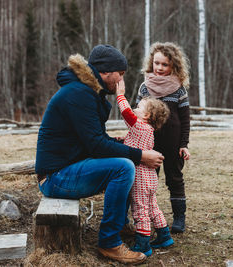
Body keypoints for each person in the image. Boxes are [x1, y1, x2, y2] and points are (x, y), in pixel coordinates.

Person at [35, 44, 164, 265]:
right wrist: (141, 154)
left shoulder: (86, 91)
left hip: (68, 167)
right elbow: (96, 145)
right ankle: (109, 243)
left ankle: (120, 224)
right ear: (105, 72)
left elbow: (95, 140)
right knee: (124, 167)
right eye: (120, 74)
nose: (121, 80)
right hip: (55, 178)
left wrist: (120, 144)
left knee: (125, 161)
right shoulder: (79, 93)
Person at [136, 42, 191, 233]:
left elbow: (185, 120)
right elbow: (137, 117)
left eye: (165, 65)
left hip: (173, 145)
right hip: (149, 146)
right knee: (147, 182)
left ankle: (179, 218)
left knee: (175, 179)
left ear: (173, 66)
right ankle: (146, 216)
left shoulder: (179, 89)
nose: (159, 68)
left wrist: (184, 144)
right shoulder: (145, 88)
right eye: (156, 63)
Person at [115, 80, 174, 257]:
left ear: (147, 116)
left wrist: (120, 95)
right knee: (152, 207)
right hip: (150, 178)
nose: (134, 108)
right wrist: (122, 141)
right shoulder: (147, 130)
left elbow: (125, 112)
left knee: (140, 210)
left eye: (139, 107)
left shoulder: (140, 125)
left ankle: (142, 244)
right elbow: (135, 144)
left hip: (140, 177)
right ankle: (164, 235)